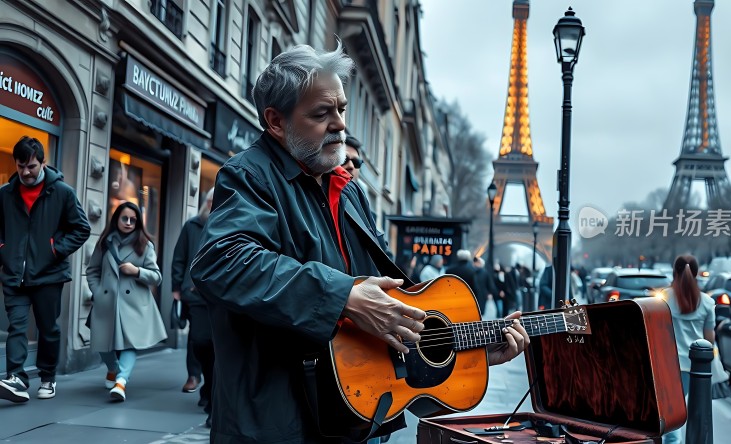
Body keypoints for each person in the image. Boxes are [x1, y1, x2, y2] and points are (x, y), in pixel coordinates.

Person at [189, 42, 530, 443]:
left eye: (342, 109)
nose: (339, 124)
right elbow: (221, 262)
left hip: (351, 420)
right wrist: (343, 296)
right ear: (276, 121)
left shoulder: (349, 191)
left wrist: (467, 351)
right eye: (321, 113)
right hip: (276, 422)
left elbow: (387, 309)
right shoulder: (248, 175)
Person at [0, 136, 91, 403]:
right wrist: (3, 249)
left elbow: (81, 228)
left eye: (31, 166)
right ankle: (16, 377)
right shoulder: (5, 194)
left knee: (48, 328)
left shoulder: (62, 192)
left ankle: (48, 377)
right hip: (14, 273)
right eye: (20, 166)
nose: (26, 172)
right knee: (16, 327)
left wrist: (54, 250)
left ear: (43, 162)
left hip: (49, 274)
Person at [86, 202, 167, 402]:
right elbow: (92, 271)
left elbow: (157, 277)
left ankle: (121, 382)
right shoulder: (105, 242)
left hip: (133, 305)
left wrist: (136, 271)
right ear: (117, 219)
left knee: (130, 345)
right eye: (125, 218)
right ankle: (113, 369)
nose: (129, 223)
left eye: (133, 219)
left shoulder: (145, 244)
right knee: (103, 344)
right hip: (107, 302)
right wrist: (98, 292)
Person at [172, 188, 215, 421]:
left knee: (216, 346)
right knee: (199, 341)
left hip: (221, 298)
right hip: (195, 294)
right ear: (207, 203)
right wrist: (177, 288)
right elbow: (179, 258)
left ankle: (211, 394)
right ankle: (198, 377)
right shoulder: (192, 226)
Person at [662, 254, 715, 444]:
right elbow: (709, 339)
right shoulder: (707, 303)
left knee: (672, 415)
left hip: (669, 365)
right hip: (697, 368)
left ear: (674, 272)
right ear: (697, 273)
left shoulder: (663, 299)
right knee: (697, 414)